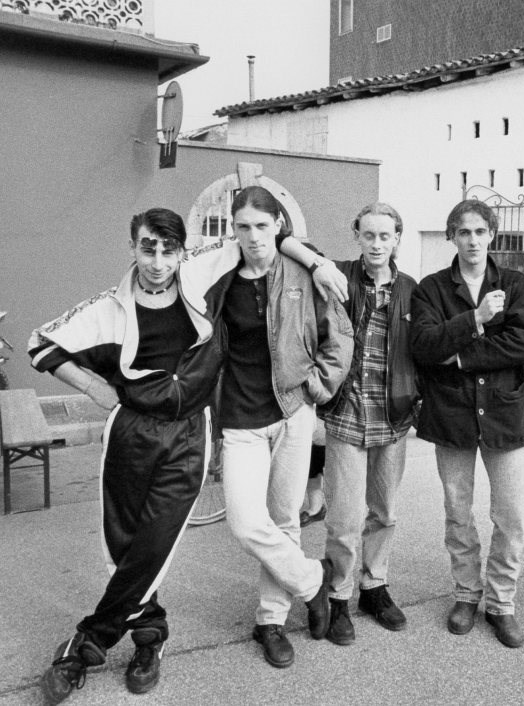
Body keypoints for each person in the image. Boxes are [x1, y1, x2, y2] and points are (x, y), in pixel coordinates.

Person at [29, 208, 225, 703]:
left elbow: (265, 231)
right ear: (132, 248)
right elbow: (40, 344)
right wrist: (93, 387)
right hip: (131, 430)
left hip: (188, 432)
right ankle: (150, 634)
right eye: (147, 248)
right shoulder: (106, 308)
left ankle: (87, 644)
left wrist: (317, 263)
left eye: (168, 250)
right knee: (123, 539)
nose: (158, 262)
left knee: (157, 537)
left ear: (182, 250)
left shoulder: (202, 274)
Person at [178, 185, 354, 668]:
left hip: (292, 411)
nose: (253, 236)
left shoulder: (303, 271)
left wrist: (318, 386)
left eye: (262, 225)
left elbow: (339, 333)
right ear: (232, 230)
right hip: (240, 417)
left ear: (278, 225)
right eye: (243, 226)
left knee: (284, 520)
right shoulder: (220, 276)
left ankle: (271, 621)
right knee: (244, 522)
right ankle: (314, 581)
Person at [410, 199, 524, 648]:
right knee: (458, 512)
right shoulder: (431, 289)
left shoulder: (517, 284)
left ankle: (501, 602)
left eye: (480, 231)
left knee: (511, 515)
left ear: (492, 235)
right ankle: (466, 594)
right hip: (452, 415)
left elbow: (523, 346)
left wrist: (461, 355)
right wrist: (477, 319)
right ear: (452, 236)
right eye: (463, 232)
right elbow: (425, 347)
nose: (472, 240)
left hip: (506, 414)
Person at [298, 202, 420, 646]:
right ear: (357, 236)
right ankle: (338, 595)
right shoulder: (338, 276)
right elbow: (290, 247)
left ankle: (374, 586)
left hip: (392, 416)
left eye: (385, 236)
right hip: (347, 414)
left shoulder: (410, 289)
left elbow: (421, 348)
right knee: (345, 518)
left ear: (397, 238)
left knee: (384, 512)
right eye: (369, 235)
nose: (377, 244)